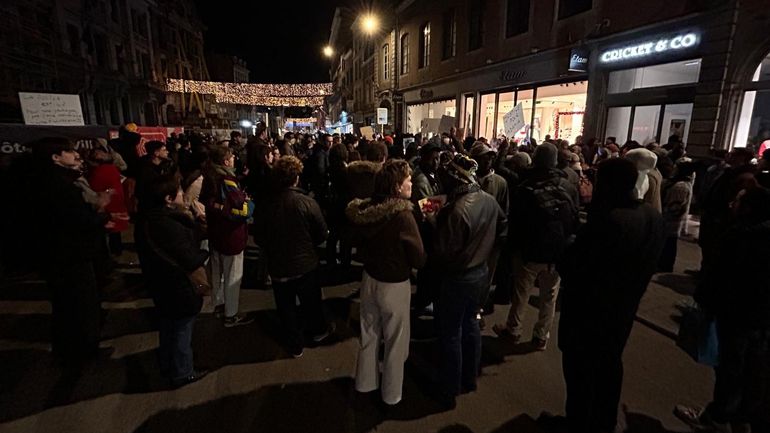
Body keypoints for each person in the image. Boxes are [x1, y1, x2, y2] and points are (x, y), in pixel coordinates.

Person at [558, 158, 665, 433]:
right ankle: (603, 421)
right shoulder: (652, 216)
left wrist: (569, 244)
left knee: (581, 373)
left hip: (590, 313)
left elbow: (574, 266)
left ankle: (577, 423)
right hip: (624, 310)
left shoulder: (610, 221)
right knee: (609, 368)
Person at [676, 186, 770, 433]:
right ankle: (741, 416)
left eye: (738, 200)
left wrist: (705, 300)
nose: (732, 204)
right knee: (751, 369)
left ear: (749, 208)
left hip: (737, 313)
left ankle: (718, 416)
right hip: (758, 317)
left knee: (730, 368)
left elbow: (723, 275)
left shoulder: (742, 237)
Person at [429, 154, 507, 408]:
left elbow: (443, 253)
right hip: (480, 273)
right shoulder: (488, 200)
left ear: (455, 179)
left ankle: (449, 388)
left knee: (451, 332)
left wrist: (433, 223)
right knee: (471, 323)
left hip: (458, 276)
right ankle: (470, 378)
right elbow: (502, 228)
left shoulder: (457, 210)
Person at [347, 159, 426, 406]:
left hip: (369, 279)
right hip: (394, 284)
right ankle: (391, 395)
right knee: (395, 342)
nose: (411, 183)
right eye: (408, 180)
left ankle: (365, 383)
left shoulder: (367, 210)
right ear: (396, 186)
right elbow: (419, 258)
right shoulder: (403, 216)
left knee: (369, 334)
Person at [33, 137, 112, 368]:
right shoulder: (60, 186)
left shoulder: (45, 181)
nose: (76, 154)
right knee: (80, 304)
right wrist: (101, 212)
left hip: (58, 255)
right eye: (69, 151)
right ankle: (82, 351)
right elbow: (77, 220)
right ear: (55, 157)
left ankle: (69, 350)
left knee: (65, 304)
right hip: (71, 255)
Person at [493, 143, 579, 350]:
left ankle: (513, 330)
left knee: (521, 293)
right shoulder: (568, 186)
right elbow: (574, 218)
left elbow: (516, 222)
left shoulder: (526, 187)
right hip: (558, 252)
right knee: (549, 296)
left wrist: (512, 249)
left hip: (530, 251)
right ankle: (541, 336)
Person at [255, 156, 335, 358]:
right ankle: (317, 331)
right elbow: (322, 233)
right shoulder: (306, 203)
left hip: (278, 265)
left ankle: (294, 344)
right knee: (311, 303)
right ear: (296, 178)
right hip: (305, 264)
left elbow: (259, 237)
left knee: (286, 307)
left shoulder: (265, 204)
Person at [138, 174, 210, 388]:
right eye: (178, 191)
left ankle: (167, 363)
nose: (182, 194)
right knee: (182, 329)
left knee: (168, 325)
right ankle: (183, 372)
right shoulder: (169, 225)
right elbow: (189, 258)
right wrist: (203, 252)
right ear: (168, 199)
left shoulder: (147, 220)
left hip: (160, 283)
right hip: (177, 285)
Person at [200, 146, 255, 327]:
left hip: (216, 233)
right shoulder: (227, 181)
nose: (233, 159)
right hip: (231, 235)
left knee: (218, 273)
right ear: (225, 160)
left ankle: (219, 306)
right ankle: (231, 315)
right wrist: (249, 203)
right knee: (233, 276)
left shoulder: (210, 177)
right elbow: (241, 209)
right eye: (231, 157)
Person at [87, 146, 129, 256]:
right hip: (113, 202)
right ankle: (116, 250)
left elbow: (94, 189)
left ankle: (112, 252)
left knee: (108, 229)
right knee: (113, 230)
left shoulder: (100, 171)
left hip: (108, 203)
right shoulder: (110, 169)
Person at [658, 162, 695, 272]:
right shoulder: (678, 183)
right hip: (670, 218)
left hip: (671, 219)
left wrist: (666, 211)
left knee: (669, 243)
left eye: (676, 168)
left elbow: (676, 205)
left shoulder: (681, 186)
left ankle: (666, 265)